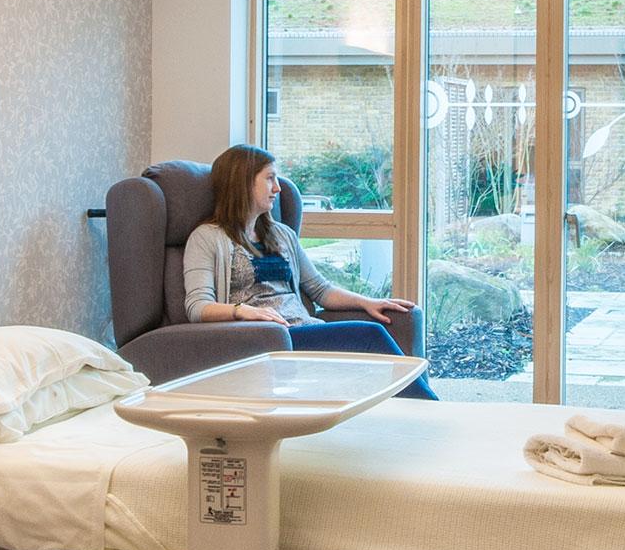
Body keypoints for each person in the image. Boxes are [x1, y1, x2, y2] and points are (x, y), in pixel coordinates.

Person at [183, 144, 439, 400]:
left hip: (303, 329)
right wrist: (241, 311)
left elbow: (320, 289)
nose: (278, 188)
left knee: (377, 336)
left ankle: (409, 416)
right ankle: (430, 409)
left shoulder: (282, 235)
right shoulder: (207, 238)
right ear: (243, 182)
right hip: (264, 338)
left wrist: (367, 302)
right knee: (369, 336)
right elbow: (197, 306)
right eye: (269, 178)